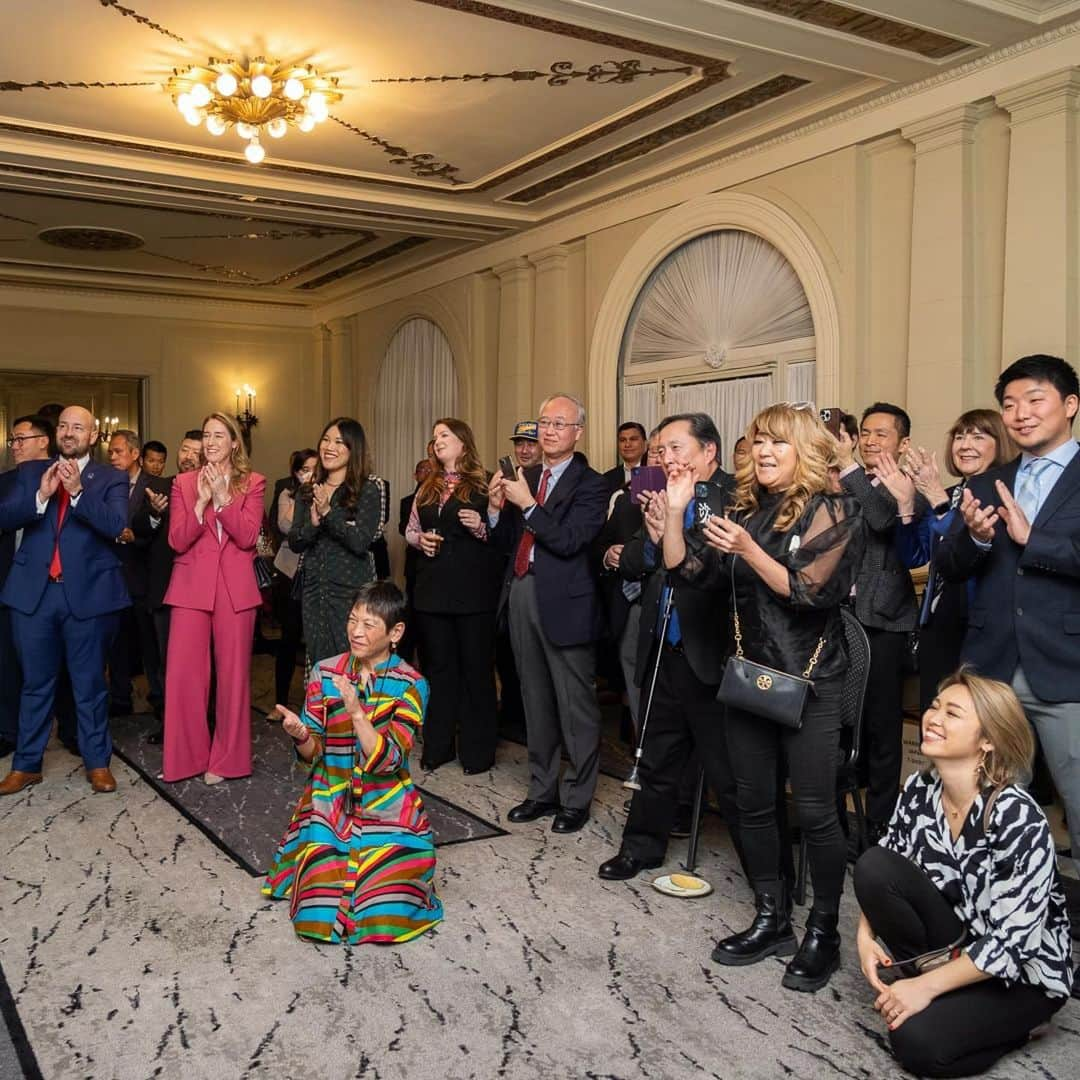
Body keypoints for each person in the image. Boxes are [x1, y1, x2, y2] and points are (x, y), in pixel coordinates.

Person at [705, 404, 862, 992]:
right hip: (750, 676)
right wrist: (670, 521)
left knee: (818, 811)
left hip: (812, 681)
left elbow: (808, 593)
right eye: (759, 441)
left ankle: (824, 931)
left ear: (806, 450)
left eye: (780, 442)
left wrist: (747, 550)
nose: (766, 451)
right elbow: (698, 575)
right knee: (753, 802)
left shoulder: (836, 509)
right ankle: (772, 917)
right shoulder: (748, 509)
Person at [854, 670, 1072, 1077]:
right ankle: (949, 991)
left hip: (1022, 975)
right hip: (959, 941)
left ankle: (1020, 1028)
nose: (933, 717)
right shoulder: (921, 787)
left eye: (952, 713)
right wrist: (864, 938)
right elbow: (890, 858)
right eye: (934, 707)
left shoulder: (1016, 816)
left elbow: (1012, 946)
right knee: (872, 866)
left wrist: (922, 987)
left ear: (988, 740)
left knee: (915, 1043)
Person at [936, 354, 1080, 882]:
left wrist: (1032, 540)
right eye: (1010, 404)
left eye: (1034, 400)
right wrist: (974, 537)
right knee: (987, 803)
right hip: (992, 665)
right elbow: (949, 567)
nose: (1020, 413)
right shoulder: (986, 484)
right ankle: (991, 921)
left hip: (1067, 666)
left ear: (1070, 405)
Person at [598, 414, 743, 880]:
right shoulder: (661, 495)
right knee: (655, 755)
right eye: (661, 451)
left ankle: (765, 878)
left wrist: (673, 537)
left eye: (676, 449)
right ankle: (640, 847)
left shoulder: (735, 499)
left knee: (730, 772)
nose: (666, 459)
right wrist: (658, 537)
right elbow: (634, 561)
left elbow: (721, 574)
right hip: (665, 643)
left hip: (713, 651)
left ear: (708, 453)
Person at [263, 581, 443, 945]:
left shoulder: (412, 684)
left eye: (369, 624)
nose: (356, 632)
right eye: (352, 620)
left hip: (387, 803)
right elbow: (312, 755)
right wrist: (300, 734)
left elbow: (391, 759)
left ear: (396, 633)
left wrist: (357, 715)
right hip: (330, 799)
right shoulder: (326, 673)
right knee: (320, 904)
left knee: (388, 901)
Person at [488, 394, 608, 832]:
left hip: (566, 603)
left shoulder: (592, 483)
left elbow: (572, 540)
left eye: (560, 423)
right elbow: (505, 544)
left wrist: (527, 505)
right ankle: (541, 791)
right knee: (534, 699)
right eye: (544, 422)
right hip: (521, 591)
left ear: (578, 432)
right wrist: (498, 509)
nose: (549, 430)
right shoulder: (527, 476)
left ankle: (576, 798)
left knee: (575, 705)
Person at [0, 405, 130, 795]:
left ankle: (97, 763)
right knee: (35, 684)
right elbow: (4, 518)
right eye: (63, 426)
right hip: (34, 596)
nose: (69, 432)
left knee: (89, 684)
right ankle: (26, 765)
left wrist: (76, 493)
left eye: (78, 427)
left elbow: (114, 525)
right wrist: (40, 495)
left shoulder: (110, 478)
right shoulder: (29, 473)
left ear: (93, 436)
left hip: (87, 598)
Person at [878, 410, 1017, 711]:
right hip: (938, 623)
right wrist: (905, 505)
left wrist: (936, 496)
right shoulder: (948, 494)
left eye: (979, 436)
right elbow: (915, 556)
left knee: (979, 721)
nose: (965, 444)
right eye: (960, 436)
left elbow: (968, 550)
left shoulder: (1004, 495)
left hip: (980, 625)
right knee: (938, 715)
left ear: (1001, 443)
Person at [161, 412, 265, 784]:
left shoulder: (252, 482)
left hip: (234, 589)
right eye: (206, 435)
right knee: (183, 676)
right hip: (190, 585)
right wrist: (200, 504)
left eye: (219, 435)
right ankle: (185, 758)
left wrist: (223, 501)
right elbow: (177, 539)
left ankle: (227, 761)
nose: (211, 442)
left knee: (233, 677)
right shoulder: (184, 483)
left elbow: (249, 537)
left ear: (234, 442)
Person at [837, 402, 920, 843]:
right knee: (840, 722)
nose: (870, 440)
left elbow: (883, 518)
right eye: (865, 432)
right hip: (840, 617)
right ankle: (837, 819)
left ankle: (881, 826)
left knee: (882, 728)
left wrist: (849, 470)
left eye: (881, 434)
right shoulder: (849, 480)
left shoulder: (909, 484)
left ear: (902, 443)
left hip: (883, 622)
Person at [407, 419, 502, 773]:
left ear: (463, 442)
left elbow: (501, 535)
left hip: (473, 594)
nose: (437, 441)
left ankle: (477, 752)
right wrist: (420, 541)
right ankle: (438, 746)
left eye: (444, 435)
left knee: (476, 671)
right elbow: (411, 529)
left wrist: (480, 527)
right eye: (434, 437)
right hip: (432, 593)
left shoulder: (485, 483)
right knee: (439, 670)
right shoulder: (427, 486)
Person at [289, 418, 382, 669]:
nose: (329, 447)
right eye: (326, 440)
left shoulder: (367, 489)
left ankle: (351, 709)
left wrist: (329, 512)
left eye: (339, 442)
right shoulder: (308, 491)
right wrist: (315, 523)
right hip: (314, 591)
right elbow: (296, 541)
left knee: (351, 664)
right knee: (319, 663)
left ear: (354, 449)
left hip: (349, 591)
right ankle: (322, 709)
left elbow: (360, 542)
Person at [132, 433, 201, 745]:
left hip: (201, 591)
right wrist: (155, 514)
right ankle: (170, 724)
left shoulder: (214, 491)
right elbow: (139, 531)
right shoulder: (161, 487)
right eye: (184, 449)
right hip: (164, 588)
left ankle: (203, 721)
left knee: (200, 663)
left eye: (195, 452)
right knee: (166, 663)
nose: (187, 456)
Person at [595, 428, 661, 739]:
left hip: (672, 605)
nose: (661, 459)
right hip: (632, 602)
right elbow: (601, 543)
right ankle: (643, 747)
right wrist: (608, 554)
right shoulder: (624, 499)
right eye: (657, 453)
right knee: (634, 676)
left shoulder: (694, 496)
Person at [0, 414, 56, 758]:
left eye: (22, 439)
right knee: (6, 662)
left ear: (43, 441)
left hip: (55, 586)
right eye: (13, 441)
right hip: (9, 583)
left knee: (59, 666)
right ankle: (8, 731)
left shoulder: (65, 477)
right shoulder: (4, 481)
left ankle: (72, 731)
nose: (15, 446)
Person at [105, 428, 158, 719]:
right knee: (116, 642)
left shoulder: (154, 485)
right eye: (110, 451)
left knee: (149, 644)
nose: (112, 457)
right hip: (112, 576)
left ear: (135, 454)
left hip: (143, 577)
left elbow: (159, 533)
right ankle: (120, 698)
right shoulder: (105, 484)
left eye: (118, 451)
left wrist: (132, 539)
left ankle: (159, 699)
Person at [269, 449, 317, 717]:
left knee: (314, 642)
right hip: (290, 572)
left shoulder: (328, 494)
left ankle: (316, 703)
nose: (310, 474)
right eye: (305, 469)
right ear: (297, 472)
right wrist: (304, 502)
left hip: (317, 573)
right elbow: (287, 526)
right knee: (288, 638)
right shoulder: (287, 493)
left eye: (314, 468)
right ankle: (281, 703)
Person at [397, 457, 433, 663]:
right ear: (415, 475)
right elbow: (404, 528)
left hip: (436, 565)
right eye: (422, 470)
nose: (427, 473)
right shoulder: (408, 501)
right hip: (415, 566)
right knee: (412, 614)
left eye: (430, 469)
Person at [601, 421, 648, 496]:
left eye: (633, 439)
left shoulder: (654, 474)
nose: (627, 444)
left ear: (645, 444)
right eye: (622, 440)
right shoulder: (606, 479)